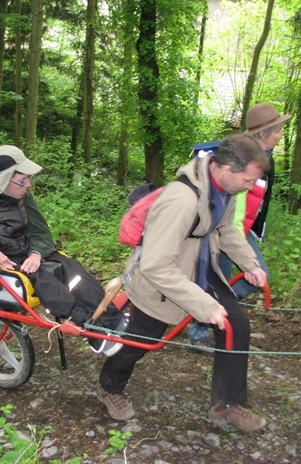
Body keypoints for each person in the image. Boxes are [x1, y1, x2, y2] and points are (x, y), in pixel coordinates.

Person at [96, 134, 270, 432]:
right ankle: (108, 388)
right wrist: (203, 305)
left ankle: (227, 404)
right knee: (142, 340)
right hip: (161, 279)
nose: (250, 187)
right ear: (227, 169)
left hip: (202, 266)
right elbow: (154, 265)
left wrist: (250, 263)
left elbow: (225, 229)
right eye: (248, 179)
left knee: (236, 326)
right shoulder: (181, 199)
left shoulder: (226, 191)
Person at [0, 145, 121, 349]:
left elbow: (41, 231)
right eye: (23, 181)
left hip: (27, 250)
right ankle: (94, 331)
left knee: (72, 269)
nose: (28, 185)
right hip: (3, 260)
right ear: (3, 179)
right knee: (47, 281)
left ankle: (113, 320)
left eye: (29, 179)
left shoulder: (20, 192)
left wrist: (36, 253)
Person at [187, 103, 292, 350]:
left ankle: (210, 319)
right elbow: (228, 200)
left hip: (241, 231)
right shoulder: (242, 159)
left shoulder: (264, 157)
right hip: (222, 231)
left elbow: (254, 203)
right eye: (277, 130)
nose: (281, 135)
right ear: (262, 134)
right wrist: (231, 238)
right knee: (222, 285)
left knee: (252, 278)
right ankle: (200, 330)